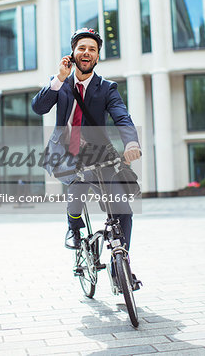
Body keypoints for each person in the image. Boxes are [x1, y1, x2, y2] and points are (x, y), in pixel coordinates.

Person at [31, 28, 141, 252]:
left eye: (92, 49)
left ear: (97, 57)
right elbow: (38, 107)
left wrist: (131, 143)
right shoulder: (60, 85)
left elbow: (122, 116)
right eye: (82, 48)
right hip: (64, 153)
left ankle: (122, 259)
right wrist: (59, 78)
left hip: (99, 154)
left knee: (123, 209)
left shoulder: (107, 88)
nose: (87, 52)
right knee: (79, 178)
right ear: (72, 53)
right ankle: (73, 226)